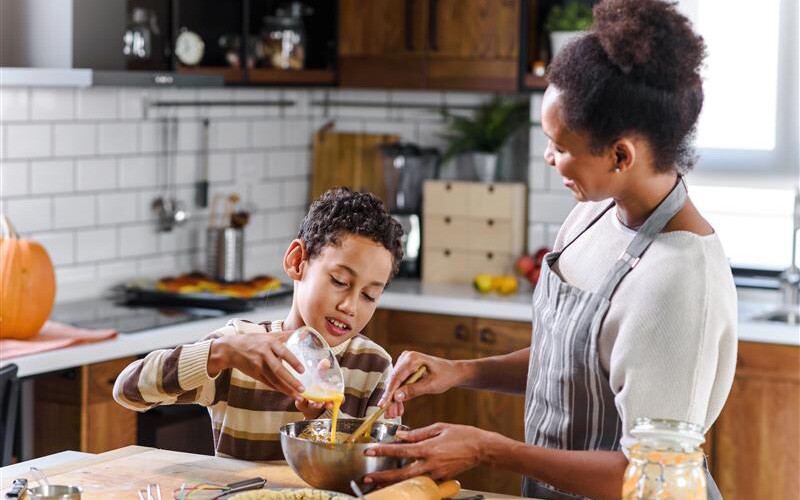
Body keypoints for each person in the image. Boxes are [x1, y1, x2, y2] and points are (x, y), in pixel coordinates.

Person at [364, 1, 737, 498]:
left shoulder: (678, 282)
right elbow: (572, 364)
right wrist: (462, 372)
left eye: (561, 147)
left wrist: (486, 449)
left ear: (621, 155)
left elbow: (650, 478)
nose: (548, 157)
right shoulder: (594, 212)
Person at [113, 188, 405, 460]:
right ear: (297, 261)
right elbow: (128, 390)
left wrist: (318, 423)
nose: (349, 307)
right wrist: (222, 352)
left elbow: (377, 469)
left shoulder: (373, 367)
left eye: (369, 295)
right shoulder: (241, 346)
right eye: (339, 281)